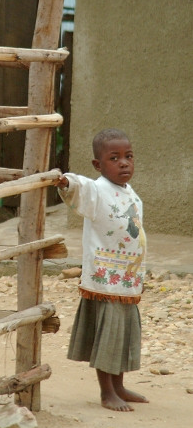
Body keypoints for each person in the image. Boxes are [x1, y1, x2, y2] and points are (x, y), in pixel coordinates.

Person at [55, 128, 149, 412]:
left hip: (127, 280)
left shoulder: (130, 193)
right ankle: (107, 392)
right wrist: (65, 181)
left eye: (128, 156)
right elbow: (78, 187)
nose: (124, 163)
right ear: (98, 165)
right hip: (105, 281)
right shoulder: (97, 192)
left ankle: (119, 386)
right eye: (114, 158)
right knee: (106, 335)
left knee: (120, 335)